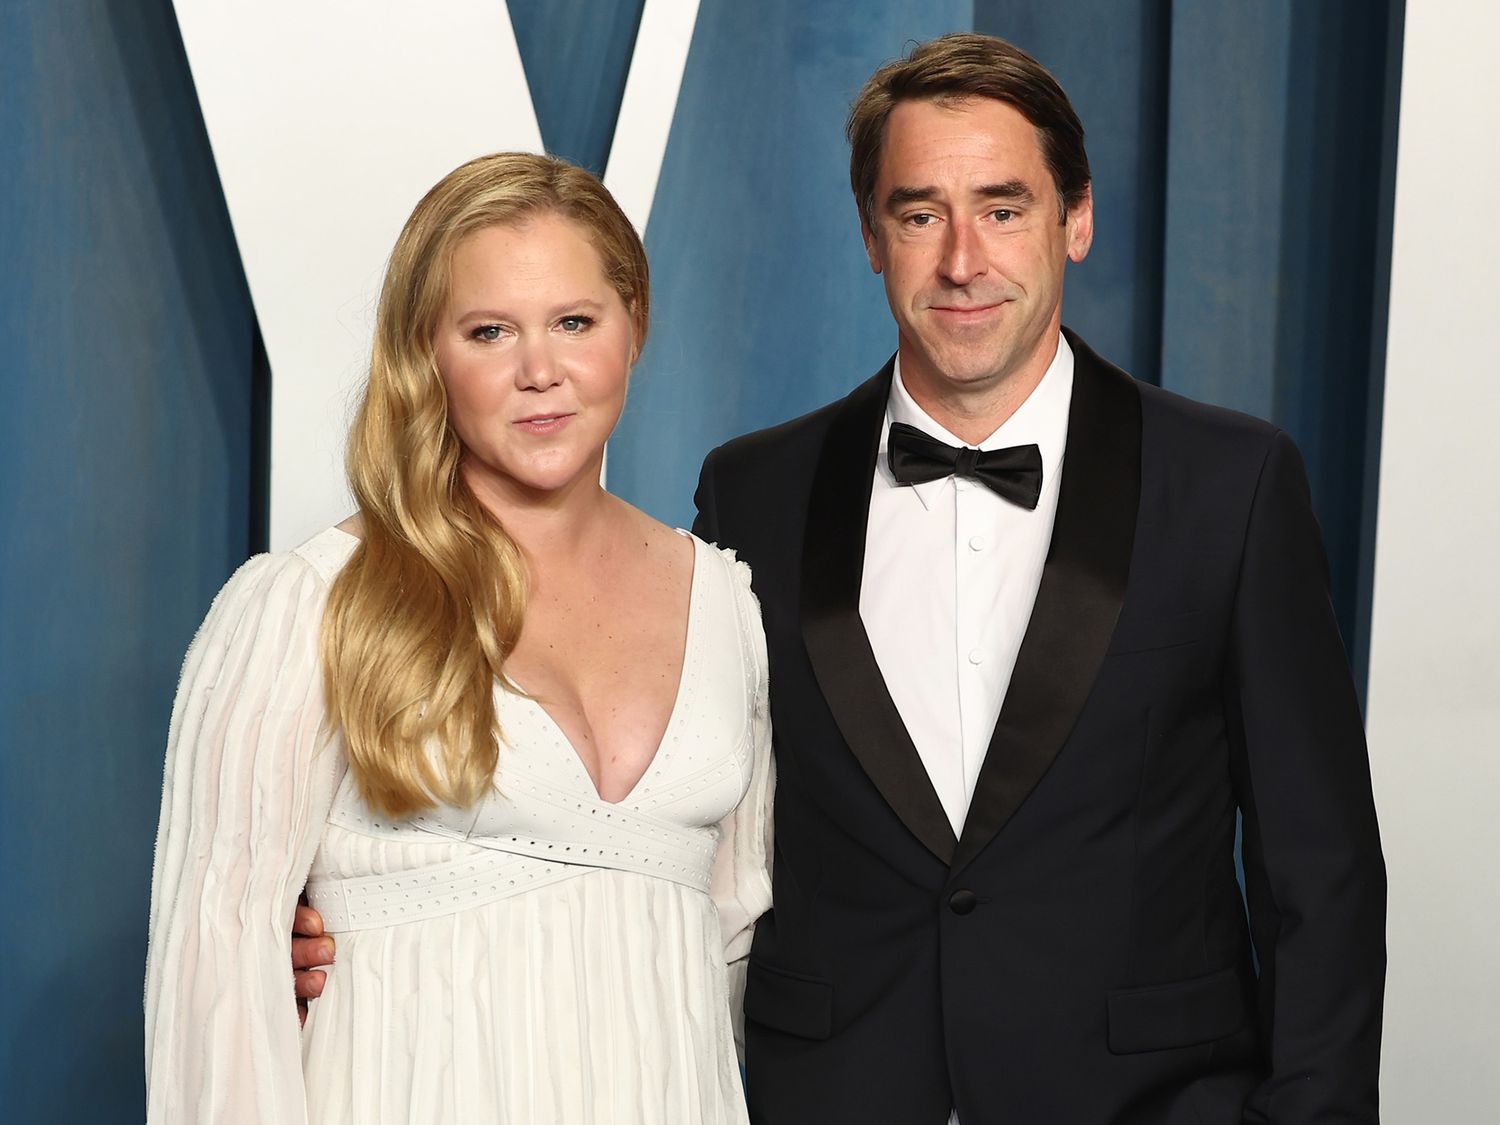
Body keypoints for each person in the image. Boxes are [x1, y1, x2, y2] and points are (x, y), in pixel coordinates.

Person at [688, 32, 1385, 1124]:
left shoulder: (1232, 483)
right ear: (872, 235)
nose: (963, 260)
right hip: (838, 1095)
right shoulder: (752, 493)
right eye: (920, 213)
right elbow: (676, 800)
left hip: (1152, 1099)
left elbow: (1321, 868)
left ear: (1077, 219)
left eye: (1004, 209)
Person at [145, 152, 773, 1125]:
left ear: (633, 325)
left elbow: (736, 946)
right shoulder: (308, 605)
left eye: (575, 321)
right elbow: (215, 991)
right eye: (490, 332)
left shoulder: (727, 604)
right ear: (426, 354)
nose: (539, 372)